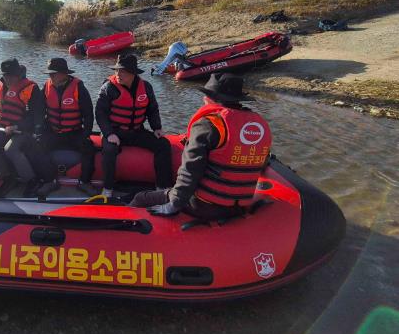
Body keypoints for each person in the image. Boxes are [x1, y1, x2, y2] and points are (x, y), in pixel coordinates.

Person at [132, 73, 272, 221]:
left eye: (206, 95)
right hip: (241, 206)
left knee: (140, 198)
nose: (204, 98)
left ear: (210, 98)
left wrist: (174, 203)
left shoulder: (209, 125)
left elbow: (190, 170)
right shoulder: (260, 125)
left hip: (205, 205)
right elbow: (261, 163)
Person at [96, 54, 172, 197]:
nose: (118, 74)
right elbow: (100, 114)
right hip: (114, 132)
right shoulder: (108, 87)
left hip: (137, 131)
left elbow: (152, 109)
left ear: (133, 73)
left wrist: (156, 127)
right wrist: (109, 133)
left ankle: (162, 188)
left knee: (163, 145)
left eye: (122, 71)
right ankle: (107, 189)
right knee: (109, 151)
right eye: (116, 70)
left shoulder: (146, 87)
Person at [35, 58, 96, 197]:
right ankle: (49, 181)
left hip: (74, 132)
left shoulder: (79, 87)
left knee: (89, 148)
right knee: (38, 145)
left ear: (64, 74)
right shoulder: (46, 87)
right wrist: (39, 130)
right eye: (49, 74)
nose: (50, 76)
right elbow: (39, 112)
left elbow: (88, 114)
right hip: (53, 131)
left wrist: (86, 134)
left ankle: (84, 182)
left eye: (53, 73)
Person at [0, 58, 43, 195]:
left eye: (11, 76)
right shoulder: (1, 85)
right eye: (5, 76)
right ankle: (6, 178)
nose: (8, 79)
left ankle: (31, 181)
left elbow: (37, 115)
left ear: (18, 74)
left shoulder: (31, 88)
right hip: (3, 128)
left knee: (10, 149)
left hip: (23, 130)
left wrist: (17, 126)